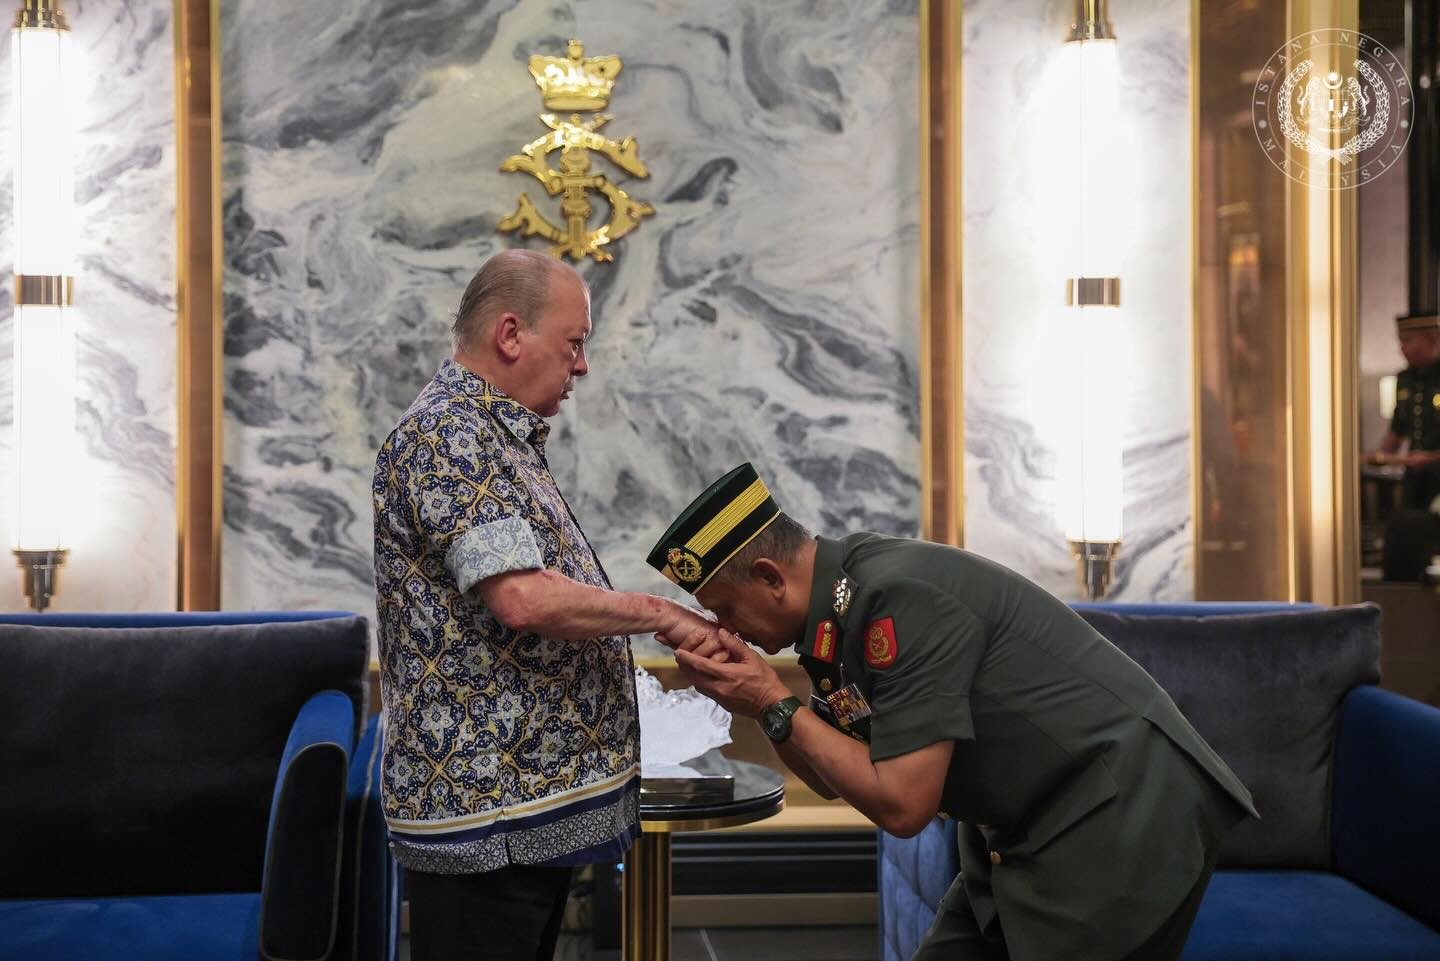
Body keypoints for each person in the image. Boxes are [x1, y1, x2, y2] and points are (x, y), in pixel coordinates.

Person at [647, 463, 1258, 961]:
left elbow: (904, 806)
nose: (728, 630)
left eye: (725, 609)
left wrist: (772, 701)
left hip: (1122, 815)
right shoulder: (837, 614)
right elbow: (828, 778)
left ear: (769, 577)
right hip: (1024, 829)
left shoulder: (895, 600)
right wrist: (756, 707)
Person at [372, 249, 715, 961]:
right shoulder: (449, 433)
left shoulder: (493, 432)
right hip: (487, 817)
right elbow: (523, 598)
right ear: (509, 334)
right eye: (574, 342)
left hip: (517, 813)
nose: (582, 365)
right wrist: (662, 613)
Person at [1365, 313, 1440, 512]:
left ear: (1432, 339)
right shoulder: (1405, 379)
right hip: (1415, 477)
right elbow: (1398, 425)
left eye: (1408, 340)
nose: (1402, 349)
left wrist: (1431, 458)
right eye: (1400, 341)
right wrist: (1380, 456)